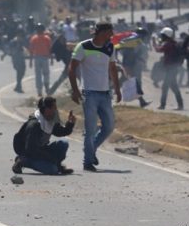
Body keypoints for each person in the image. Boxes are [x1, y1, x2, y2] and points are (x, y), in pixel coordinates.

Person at [68, 22, 121, 172]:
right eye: (109, 32)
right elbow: (72, 69)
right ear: (101, 32)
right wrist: (75, 90)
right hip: (89, 93)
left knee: (109, 126)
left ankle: (91, 151)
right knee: (90, 129)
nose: (111, 35)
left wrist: (117, 88)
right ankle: (87, 162)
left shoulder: (110, 47)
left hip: (105, 93)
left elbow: (112, 68)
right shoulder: (83, 46)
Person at [12, 97, 75, 175]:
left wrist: (70, 124)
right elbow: (30, 149)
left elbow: (59, 131)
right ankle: (22, 161)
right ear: (47, 110)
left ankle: (57, 165)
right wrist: (50, 158)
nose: (56, 110)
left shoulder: (50, 118)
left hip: (41, 149)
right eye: (54, 108)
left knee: (63, 143)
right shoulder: (34, 125)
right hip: (29, 153)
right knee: (52, 170)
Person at [152, 27, 184, 110]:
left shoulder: (168, 44)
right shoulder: (173, 43)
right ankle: (180, 105)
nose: (162, 37)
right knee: (174, 87)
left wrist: (154, 42)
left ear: (166, 36)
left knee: (165, 87)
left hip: (171, 69)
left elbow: (158, 50)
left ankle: (163, 105)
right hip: (173, 68)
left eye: (163, 35)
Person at [28, 23, 52, 97]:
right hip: (44, 58)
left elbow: (31, 51)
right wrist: (51, 59)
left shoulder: (34, 38)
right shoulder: (47, 38)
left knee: (38, 75)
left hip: (37, 58)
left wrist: (31, 61)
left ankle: (39, 91)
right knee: (46, 73)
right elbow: (50, 49)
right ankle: (47, 87)